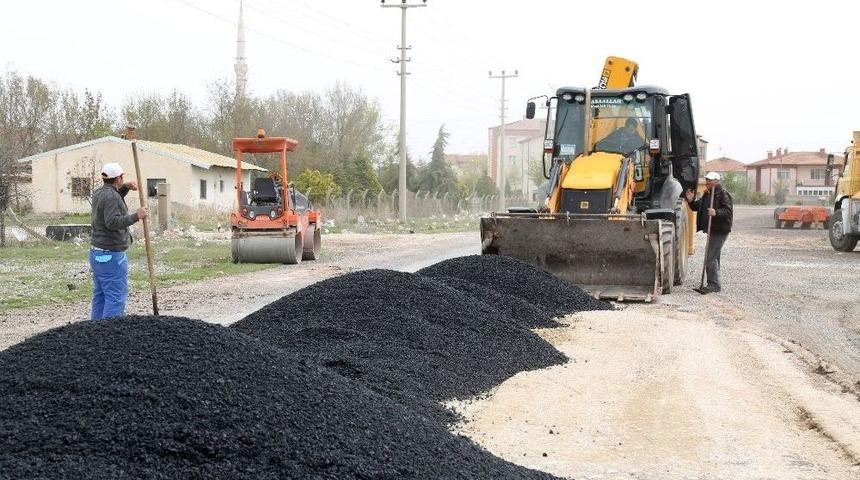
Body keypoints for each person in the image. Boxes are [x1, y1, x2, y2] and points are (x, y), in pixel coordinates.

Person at [89, 163, 148, 320]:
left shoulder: (99, 193)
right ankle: (110, 332)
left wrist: (125, 188)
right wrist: (136, 216)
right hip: (111, 256)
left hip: (97, 253)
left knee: (101, 295)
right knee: (115, 297)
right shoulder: (112, 197)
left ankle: (95, 330)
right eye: (122, 177)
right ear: (118, 178)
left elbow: (112, 200)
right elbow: (112, 222)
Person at [685, 171, 733, 294]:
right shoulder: (708, 194)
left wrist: (716, 212)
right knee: (714, 257)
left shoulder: (722, 194)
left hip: (720, 230)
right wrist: (691, 201)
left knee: (710, 258)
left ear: (716, 181)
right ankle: (714, 282)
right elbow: (698, 207)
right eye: (707, 180)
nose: (707, 182)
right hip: (713, 230)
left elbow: (728, 211)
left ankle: (714, 284)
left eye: (710, 180)